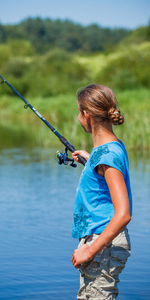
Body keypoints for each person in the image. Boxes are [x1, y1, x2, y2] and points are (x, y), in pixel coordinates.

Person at [71, 84, 132, 300]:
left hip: (103, 244)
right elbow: (106, 172)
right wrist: (91, 161)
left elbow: (123, 213)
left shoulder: (107, 156)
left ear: (86, 115)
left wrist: (90, 250)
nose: (79, 117)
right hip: (101, 242)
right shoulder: (108, 150)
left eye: (79, 112)